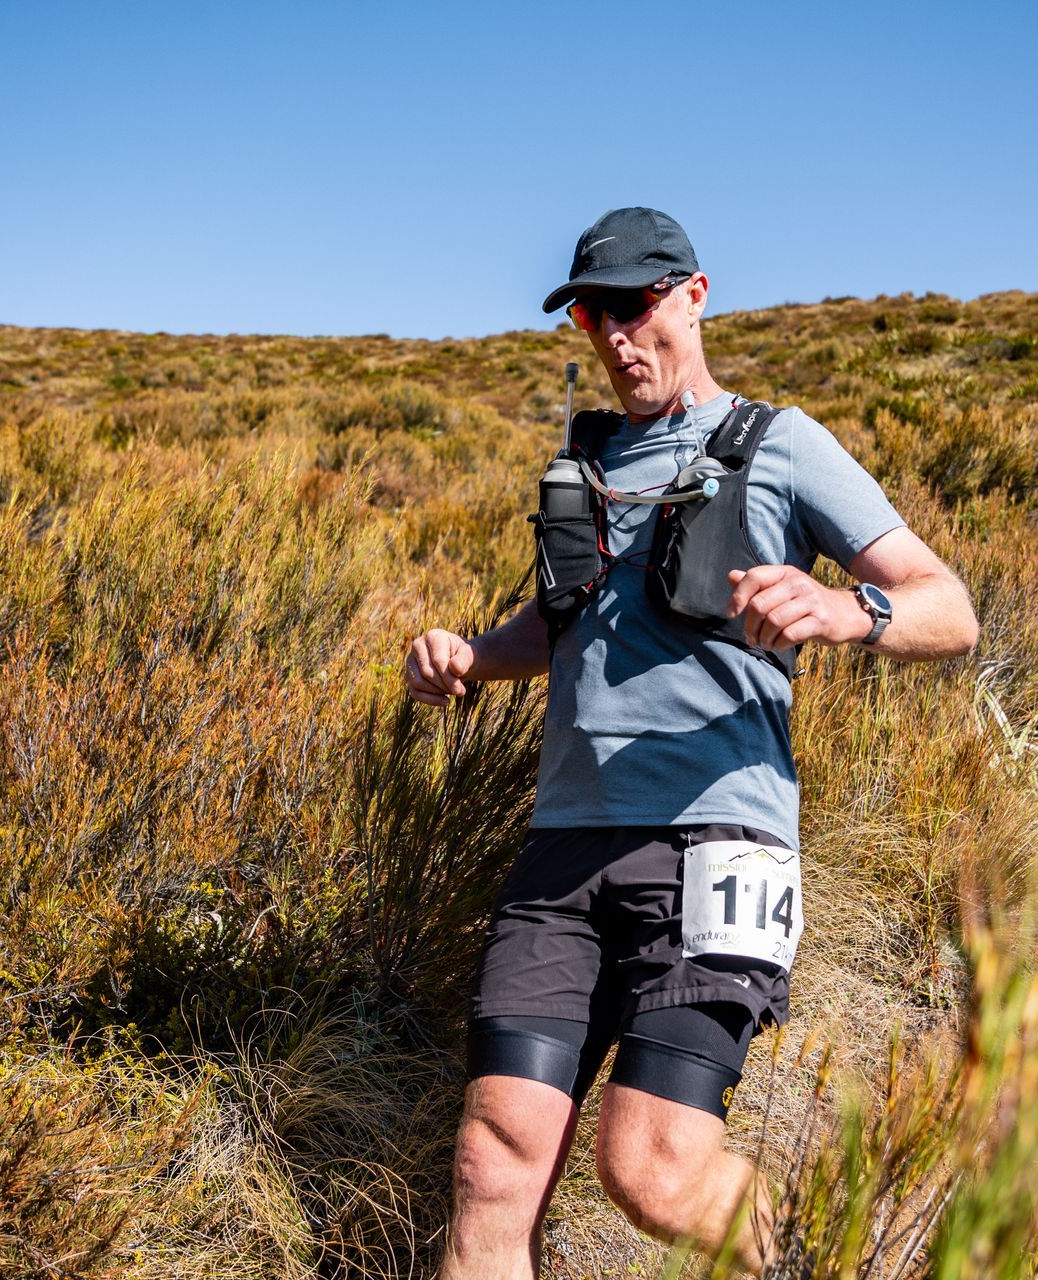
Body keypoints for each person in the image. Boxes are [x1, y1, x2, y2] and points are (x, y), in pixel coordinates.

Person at [403, 207, 979, 1278]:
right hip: (563, 850)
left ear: (694, 294)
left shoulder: (783, 444)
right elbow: (562, 626)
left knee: (656, 1168)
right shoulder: (584, 462)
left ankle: (820, 1259)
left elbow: (947, 604)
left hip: (719, 844)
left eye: (636, 305)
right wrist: (469, 658)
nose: (616, 335)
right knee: (492, 1162)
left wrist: (851, 610)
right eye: (592, 313)